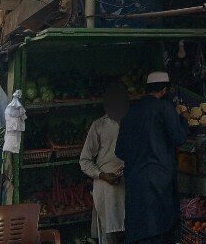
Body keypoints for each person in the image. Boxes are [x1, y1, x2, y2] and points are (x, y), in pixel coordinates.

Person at [116, 71, 189, 244]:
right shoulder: (164, 108)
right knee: (159, 227)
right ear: (165, 90)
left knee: (139, 228)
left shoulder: (130, 112)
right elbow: (178, 137)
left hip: (135, 182)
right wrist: (184, 120)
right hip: (158, 180)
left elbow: (119, 151)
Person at [80, 81, 129, 244]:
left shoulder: (133, 122)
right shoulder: (99, 125)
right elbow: (85, 160)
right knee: (109, 233)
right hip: (107, 186)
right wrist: (102, 175)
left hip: (130, 182)